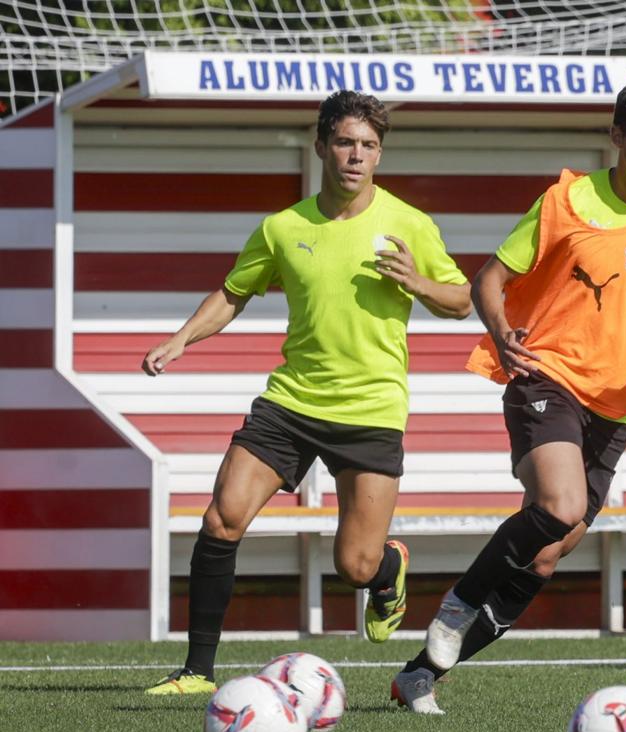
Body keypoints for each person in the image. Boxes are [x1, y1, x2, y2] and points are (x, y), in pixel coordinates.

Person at [390, 77, 626, 713]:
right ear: (618, 135)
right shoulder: (565, 200)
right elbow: (490, 279)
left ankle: (421, 674)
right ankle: (457, 607)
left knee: (547, 556)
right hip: (546, 374)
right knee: (561, 504)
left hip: (617, 404)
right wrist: (501, 331)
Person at [143, 90, 472, 694]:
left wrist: (418, 281)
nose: (356, 156)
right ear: (321, 146)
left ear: (380, 154)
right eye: (345, 143)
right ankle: (196, 671)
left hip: (371, 409)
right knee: (221, 520)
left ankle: (389, 567)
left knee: (356, 565)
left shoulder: (409, 224)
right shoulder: (282, 228)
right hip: (291, 403)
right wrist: (181, 339)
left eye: (369, 146)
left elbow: (461, 301)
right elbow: (233, 293)